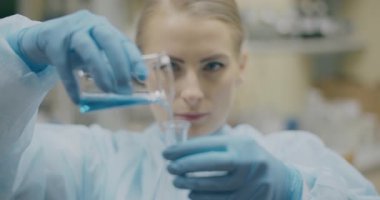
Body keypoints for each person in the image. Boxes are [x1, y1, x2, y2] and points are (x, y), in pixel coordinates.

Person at [0, 0, 378, 199]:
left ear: (241, 66)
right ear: (140, 65)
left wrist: (293, 193)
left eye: (213, 65)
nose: (192, 92)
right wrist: (17, 55)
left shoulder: (295, 157)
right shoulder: (94, 162)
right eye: (170, 66)